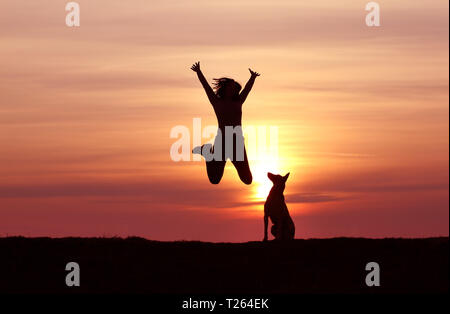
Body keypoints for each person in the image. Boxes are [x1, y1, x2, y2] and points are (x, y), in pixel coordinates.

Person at [190, 61, 260, 185]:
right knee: (214, 180)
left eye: (234, 86)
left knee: (247, 180)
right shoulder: (217, 102)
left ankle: (206, 152)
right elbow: (206, 87)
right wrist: (199, 72)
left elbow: (247, 90)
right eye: (231, 86)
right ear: (226, 88)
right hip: (221, 142)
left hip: (237, 143)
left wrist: (252, 78)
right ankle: (206, 152)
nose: (234, 88)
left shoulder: (238, 101)